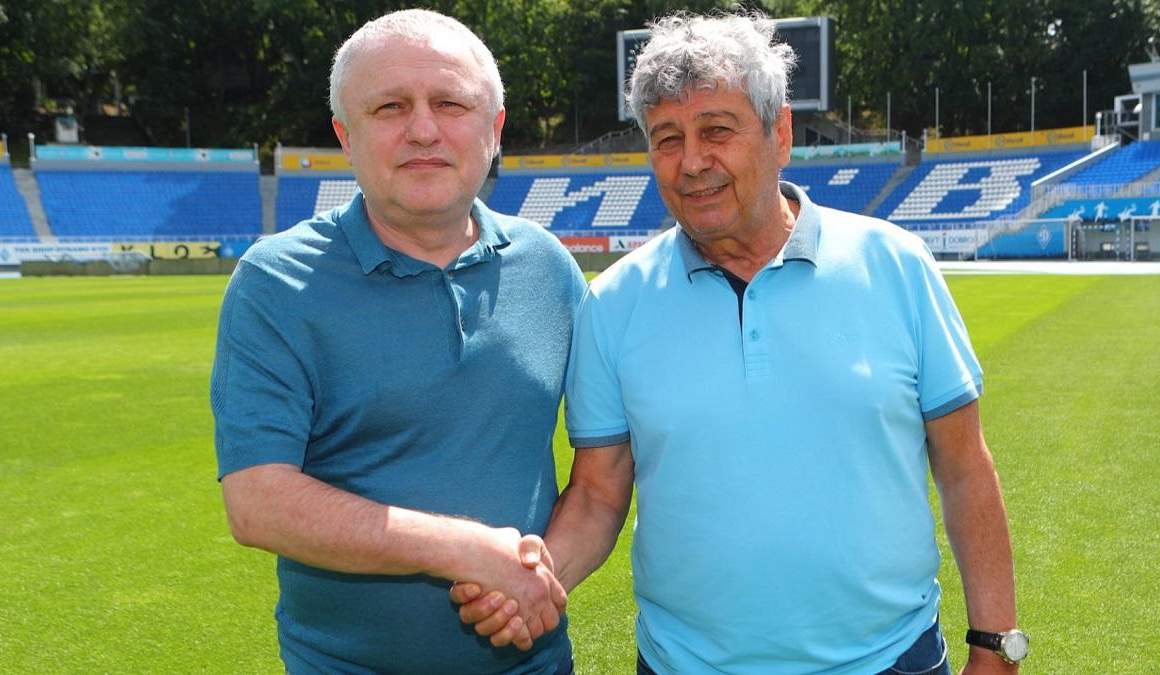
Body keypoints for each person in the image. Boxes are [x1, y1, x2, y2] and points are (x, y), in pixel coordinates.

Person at [455, 11, 1026, 674]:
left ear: (779, 133)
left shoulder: (896, 264)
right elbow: (598, 495)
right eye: (667, 138)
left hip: (889, 658)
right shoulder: (613, 302)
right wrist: (534, 582)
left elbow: (963, 466)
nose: (692, 162)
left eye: (717, 130)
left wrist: (996, 643)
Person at [210, 9, 584, 674]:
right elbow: (258, 502)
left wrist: (532, 586)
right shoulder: (276, 281)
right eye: (389, 107)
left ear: (495, 128)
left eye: (450, 103)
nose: (423, 129)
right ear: (345, 136)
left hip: (534, 662)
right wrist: (459, 548)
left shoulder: (549, 267)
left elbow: (605, 474)